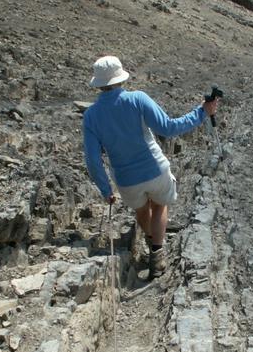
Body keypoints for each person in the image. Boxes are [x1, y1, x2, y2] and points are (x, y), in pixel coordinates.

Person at [82, 55, 219, 279]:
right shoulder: (137, 99)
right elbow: (169, 127)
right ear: (120, 78)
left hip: (126, 180)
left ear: (99, 83)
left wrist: (106, 190)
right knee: (160, 205)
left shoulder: (91, 116)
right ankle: (157, 252)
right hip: (155, 169)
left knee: (141, 210)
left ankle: (151, 240)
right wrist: (202, 112)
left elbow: (92, 158)